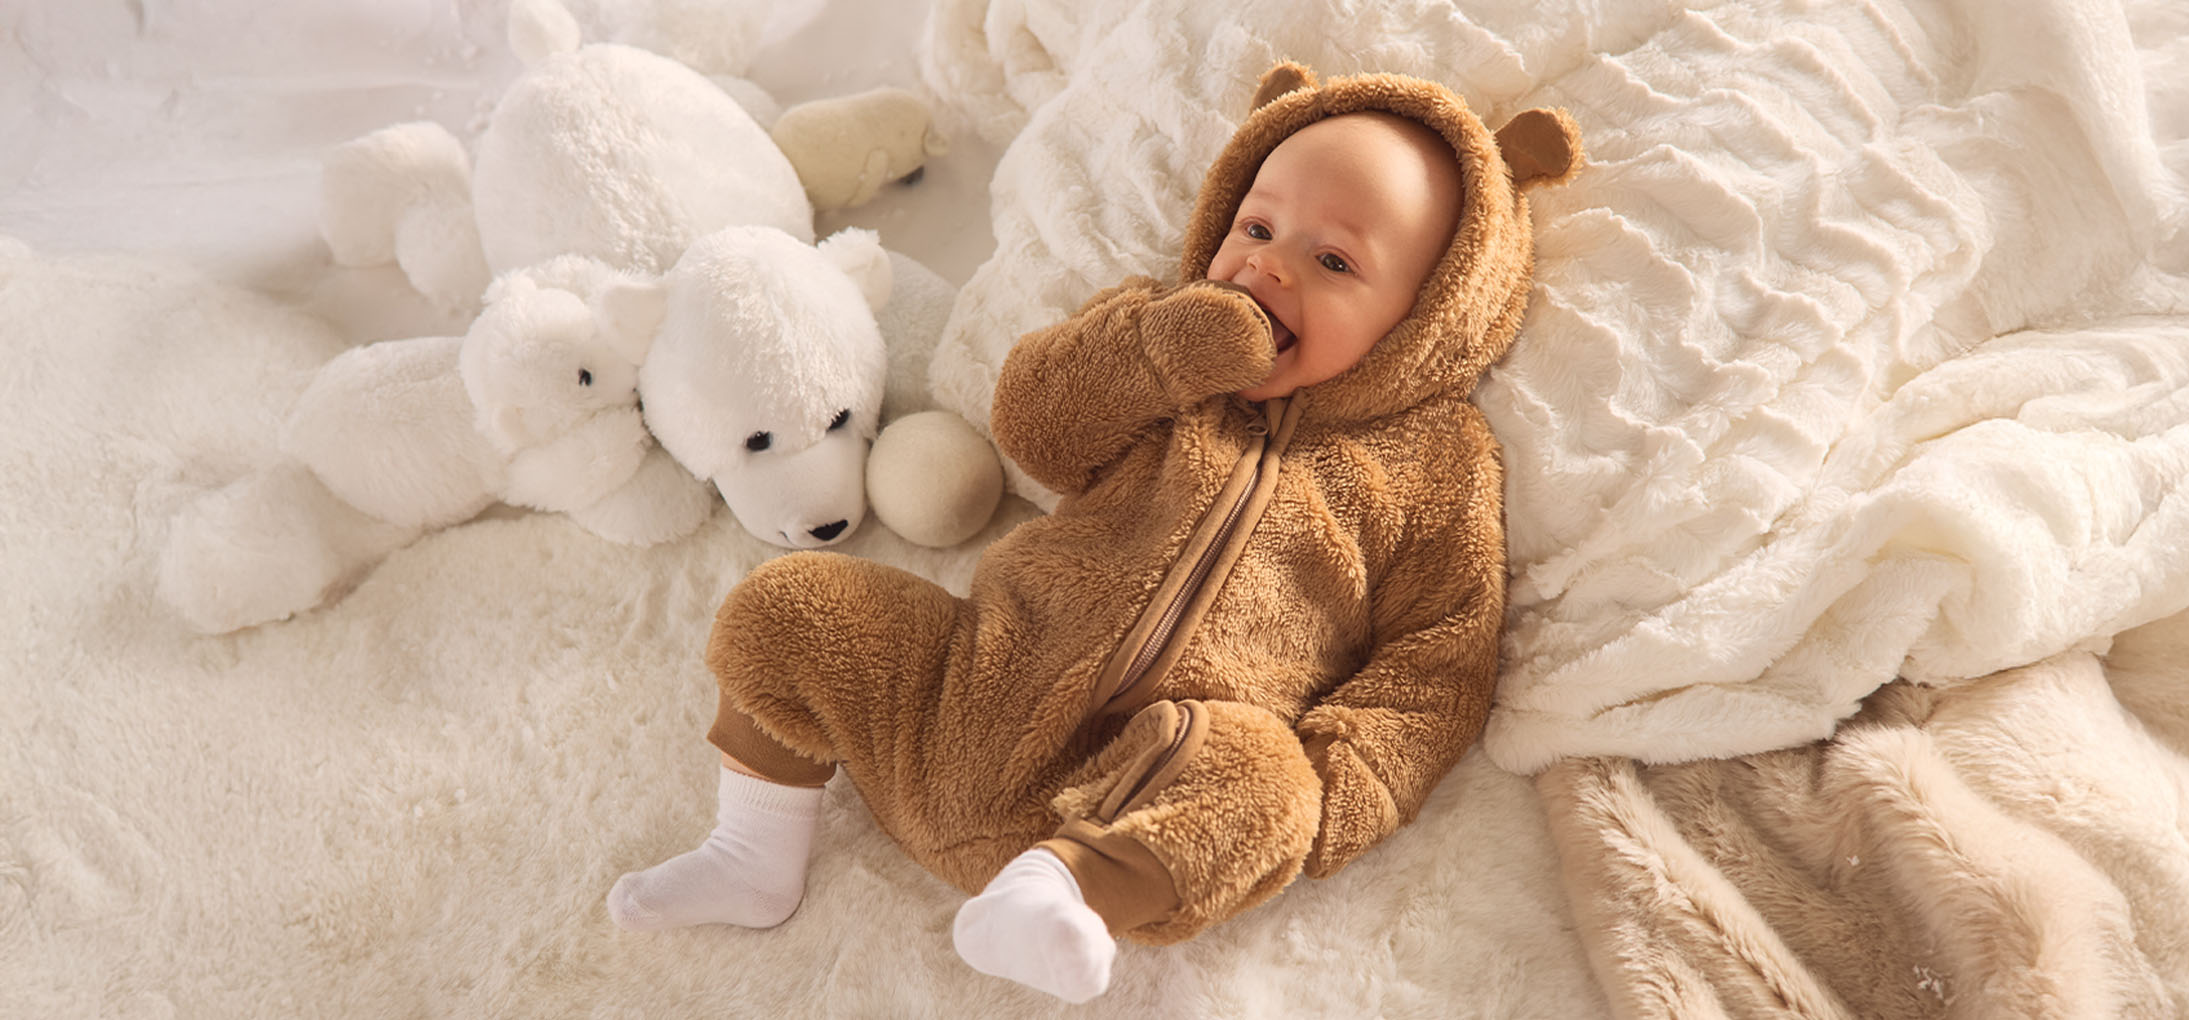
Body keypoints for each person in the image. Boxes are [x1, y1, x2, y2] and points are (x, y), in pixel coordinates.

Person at [605, 61, 1581, 1004]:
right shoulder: (1154, 333)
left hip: (1154, 786)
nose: (1268, 265)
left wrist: (1339, 789)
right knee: (795, 607)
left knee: (1272, 786)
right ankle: (753, 850)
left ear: (1428, 315)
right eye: (1257, 227)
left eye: (1333, 262)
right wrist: (1162, 354)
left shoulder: (1436, 463)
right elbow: (1037, 428)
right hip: (973, 687)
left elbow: (1437, 662)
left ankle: (1062, 894)